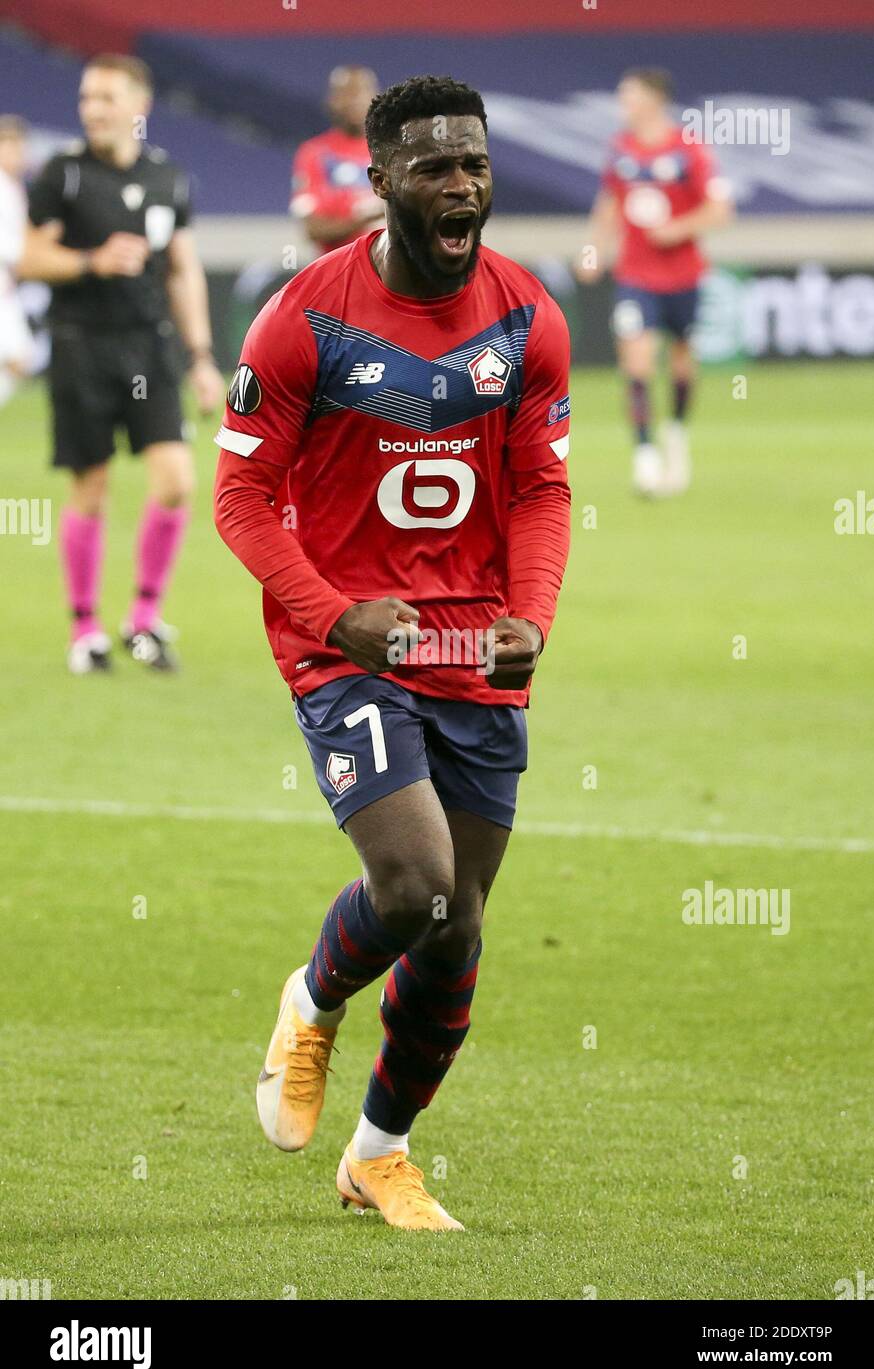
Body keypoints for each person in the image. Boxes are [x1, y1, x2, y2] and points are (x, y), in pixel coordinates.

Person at [215, 75, 571, 1231]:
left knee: (460, 923)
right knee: (414, 885)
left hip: (472, 646)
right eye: (432, 166)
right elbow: (242, 497)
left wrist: (533, 615)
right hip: (348, 645)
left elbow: (542, 489)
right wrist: (331, 613)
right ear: (377, 181)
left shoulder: (529, 319)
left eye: (473, 162)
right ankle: (311, 1001)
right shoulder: (303, 317)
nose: (460, 184)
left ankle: (380, 1153)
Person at [19, 53, 224, 673]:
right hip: (83, 347)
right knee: (92, 487)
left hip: (151, 349)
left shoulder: (168, 177)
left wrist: (202, 357)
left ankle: (144, 619)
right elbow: (28, 259)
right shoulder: (63, 174)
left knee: (177, 481)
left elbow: (183, 270)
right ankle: (85, 628)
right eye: (86, 99)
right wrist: (92, 261)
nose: (93, 111)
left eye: (106, 99)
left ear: (140, 107)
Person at [578, 67, 733, 496]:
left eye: (628, 94)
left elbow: (721, 210)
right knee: (637, 358)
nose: (622, 102)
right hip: (636, 276)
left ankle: (677, 435)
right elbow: (610, 203)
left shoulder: (689, 152)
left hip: (683, 276)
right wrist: (593, 250)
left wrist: (676, 229)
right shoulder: (621, 151)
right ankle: (645, 456)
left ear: (652, 99)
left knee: (682, 360)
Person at [290, 65, 386, 258]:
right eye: (346, 94)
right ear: (331, 101)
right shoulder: (314, 154)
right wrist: (372, 215)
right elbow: (314, 229)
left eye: (362, 92)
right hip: (338, 271)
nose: (355, 100)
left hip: (392, 275)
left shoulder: (394, 150)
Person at [0, 115, 36, 407]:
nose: (16, 154)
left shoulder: (13, 187)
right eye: (9, 146)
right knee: (20, 358)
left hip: (6, 289)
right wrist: (28, 255)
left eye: (19, 147)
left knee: (20, 359)